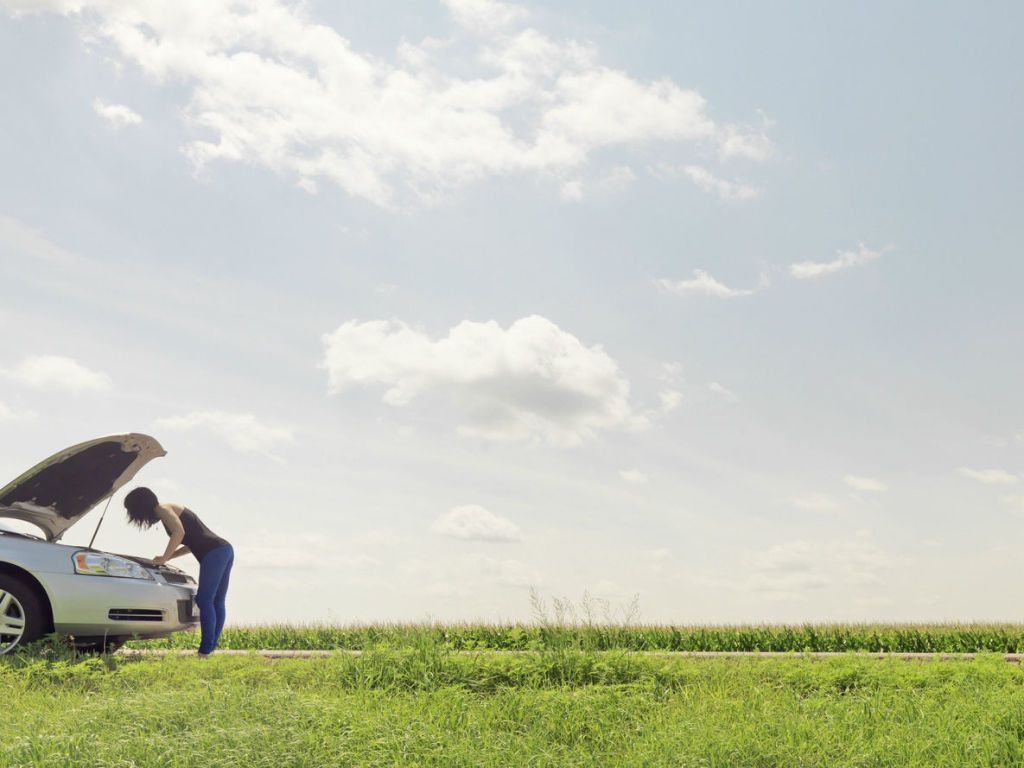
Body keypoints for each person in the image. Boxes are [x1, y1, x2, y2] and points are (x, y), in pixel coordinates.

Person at [123, 487, 234, 657]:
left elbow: (179, 533)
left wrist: (163, 558)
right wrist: (168, 557)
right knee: (216, 601)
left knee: (205, 600)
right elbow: (191, 543)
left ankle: (205, 651)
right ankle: (210, 649)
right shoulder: (168, 511)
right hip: (223, 549)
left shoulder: (164, 509)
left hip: (215, 552)